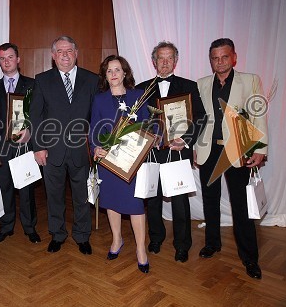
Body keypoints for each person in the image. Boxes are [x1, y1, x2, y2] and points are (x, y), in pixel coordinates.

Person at [194, 38, 268, 279]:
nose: (220, 62)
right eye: (215, 58)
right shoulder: (202, 84)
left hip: (238, 151)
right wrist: (195, 145)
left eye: (225, 57)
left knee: (241, 206)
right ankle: (213, 243)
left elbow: (259, 115)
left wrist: (261, 148)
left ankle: (249, 258)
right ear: (211, 60)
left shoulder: (250, 80)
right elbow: (199, 119)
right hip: (209, 151)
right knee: (210, 201)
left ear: (234, 57)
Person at [137, 41, 206, 263]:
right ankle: (156, 238)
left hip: (178, 152)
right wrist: (149, 137)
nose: (164, 62)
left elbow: (201, 117)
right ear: (153, 61)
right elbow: (137, 121)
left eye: (169, 58)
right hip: (153, 152)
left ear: (175, 61)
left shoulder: (190, 86)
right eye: (160, 58)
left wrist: (185, 141)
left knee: (179, 200)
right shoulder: (142, 88)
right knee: (153, 198)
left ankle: (182, 245)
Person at [30, 35, 99, 255]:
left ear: (76, 53)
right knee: (54, 197)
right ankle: (57, 235)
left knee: (81, 196)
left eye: (69, 51)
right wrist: (38, 146)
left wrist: (97, 144)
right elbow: (36, 116)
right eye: (60, 52)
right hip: (52, 150)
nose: (65, 55)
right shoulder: (42, 80)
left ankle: (82, 236)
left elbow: (97, 116)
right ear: (53, 56)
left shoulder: (92, 79)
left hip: (81, 150)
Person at [89, 55, 150, 273]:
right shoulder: (99, 99)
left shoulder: (138, 95)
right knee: (112, 202)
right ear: (105, 76)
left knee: (135, 205)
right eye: (109, 71)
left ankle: (141, 249)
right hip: (109, 161)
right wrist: (96, 147)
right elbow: (94, 128)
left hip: (133, 162)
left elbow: (149, 126)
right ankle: (117, 240)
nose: (114, 74)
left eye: (117, 70)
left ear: (125, 72)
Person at [0, 43, 41, 244]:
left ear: (18, 59)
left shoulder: (33, 84)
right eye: (2, 58)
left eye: (10, 57)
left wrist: (30, 132)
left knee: (26, 189)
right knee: (5, 188)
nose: (6, 61)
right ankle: (7, 226)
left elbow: (39, 114)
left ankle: (29, 227)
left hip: (25, 146)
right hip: (2, 147)